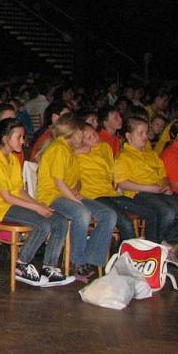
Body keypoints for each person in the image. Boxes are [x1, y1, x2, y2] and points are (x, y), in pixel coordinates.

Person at [0, 118, 73, 286]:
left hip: (13, 204)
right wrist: (36, 208)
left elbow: (20, 191)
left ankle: (49, 267)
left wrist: (39, 205)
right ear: (6, 139)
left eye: (23, 137)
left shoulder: (13, 159)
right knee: (42, 224)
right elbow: (7, 197)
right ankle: (21, 264)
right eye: (19, 137)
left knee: (59, 221)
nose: (23, 141)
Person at [36, 114, 117, 283]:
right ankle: (78, 262)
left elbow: (75, 180)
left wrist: (76, 191)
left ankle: (91, 259)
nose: (82, 137)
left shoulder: (69, 151)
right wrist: (75, 199)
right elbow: (58, 182)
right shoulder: (58, 148)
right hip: (52, 196)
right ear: (71, 133)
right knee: (82, 213)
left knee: (109, 214)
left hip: (67, 195)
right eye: (80, 133)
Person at [114, 116, 178, 248]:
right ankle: (156, 246)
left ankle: (167, 242)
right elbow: (122, 183)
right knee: (167, 212)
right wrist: (149, 188)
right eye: (140, 133)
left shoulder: (150, 153)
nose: (145, 136)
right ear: (128, 135)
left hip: (159, 191)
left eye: (146, 132)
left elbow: (163, 174)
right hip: (138, 193)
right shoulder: (124, 156)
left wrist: (165, 184)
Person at [76, 123, 157, 241]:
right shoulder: (77, 153)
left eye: (94, 134)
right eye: (89, 138)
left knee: (151, 213)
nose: (94, 138)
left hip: (111, 193)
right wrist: (77, 151)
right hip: (93, 195)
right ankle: (131, 257)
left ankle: (152, 252)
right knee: (126, 223)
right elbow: (52, 155)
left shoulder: (105, 147)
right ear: (80, 140)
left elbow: (111, 170)